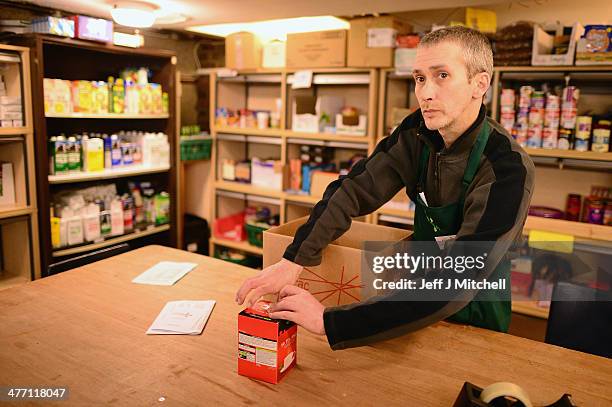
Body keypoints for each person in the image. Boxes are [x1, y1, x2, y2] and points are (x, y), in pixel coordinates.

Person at [235, 26, 535, 350]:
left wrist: (330, 322)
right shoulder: (415, 134)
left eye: (442, 75)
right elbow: (353, 190)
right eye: (419, 78)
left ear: (480, 84)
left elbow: (457, 281)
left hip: (476, 314)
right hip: (409, 304)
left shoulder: (507, 167)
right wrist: (293, 260)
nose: (425, 92)